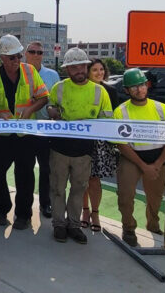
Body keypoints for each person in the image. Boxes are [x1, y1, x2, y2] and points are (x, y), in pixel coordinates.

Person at [47, 48, 113, 244]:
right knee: (58, 188)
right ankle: (59, 224)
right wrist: (51, 110)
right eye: (73, 67)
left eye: (81, 66)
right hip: (59, 148)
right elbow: (51, 106)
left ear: (86, 66)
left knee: (78, 189)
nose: (78, 70)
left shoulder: (99, 91)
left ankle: (74, 225)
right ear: (67, 69)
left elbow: (107, 119)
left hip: (84, 151)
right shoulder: (59, 88)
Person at [0, 35, 49, 230]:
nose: (16, 61)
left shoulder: (30, 71)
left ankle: (23, 215)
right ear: (2, 58)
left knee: (25, 176)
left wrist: (31, 109)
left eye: (19, 56)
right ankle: (0, 210)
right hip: (1, 136)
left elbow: (43, 97)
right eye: (12, 57)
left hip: (24, 135)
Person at [114, 68, 165, 247]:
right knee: (125, 195)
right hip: (132, 158)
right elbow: (121, 145)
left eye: (141, 85)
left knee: (155, 197)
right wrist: (143, 165)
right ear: (126, 90)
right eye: (133, 87)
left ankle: (153, 224)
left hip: (157, 158)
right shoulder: (121, 112)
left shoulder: (162, 109)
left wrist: (158, 163)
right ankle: (129, 227)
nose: (139, 90)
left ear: (147, 85)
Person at [81, 59, 120, 231]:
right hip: (82, 139)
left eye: (101, 69)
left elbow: (114, 117)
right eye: (95, 69)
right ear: (88, 72)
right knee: (81, 179)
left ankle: (95, 213)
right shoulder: (82, 88)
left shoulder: (110, 91)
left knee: (95, 179)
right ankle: (85, 211)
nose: (99, 73)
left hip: (101, 143)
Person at [24, 41, 60, 219]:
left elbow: (56, 101)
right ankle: (25, 205)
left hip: (46, 130)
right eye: (32, 51)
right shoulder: (19, 72)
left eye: (39, 52)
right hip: (26, 130)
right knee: (26, 170)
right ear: (26, 53)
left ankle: (46, 204)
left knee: (46, 169)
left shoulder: (52, 75)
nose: (36, 55)